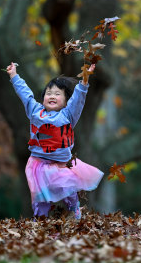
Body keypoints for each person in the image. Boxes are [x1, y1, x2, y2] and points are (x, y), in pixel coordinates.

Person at [6, 62, 103, 220]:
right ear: (43, 98)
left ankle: (74, 211)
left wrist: (84, 82)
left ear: (65, 101)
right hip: (38, 164)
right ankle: (41, 221)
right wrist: (14, 76)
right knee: (41, 198)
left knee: (68, 187)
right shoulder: (35, 111)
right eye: (48, 93)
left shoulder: (68, 115)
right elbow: (25, 94)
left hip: (61, 164)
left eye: (57, 94)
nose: (52, 96)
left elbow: (78, 100)